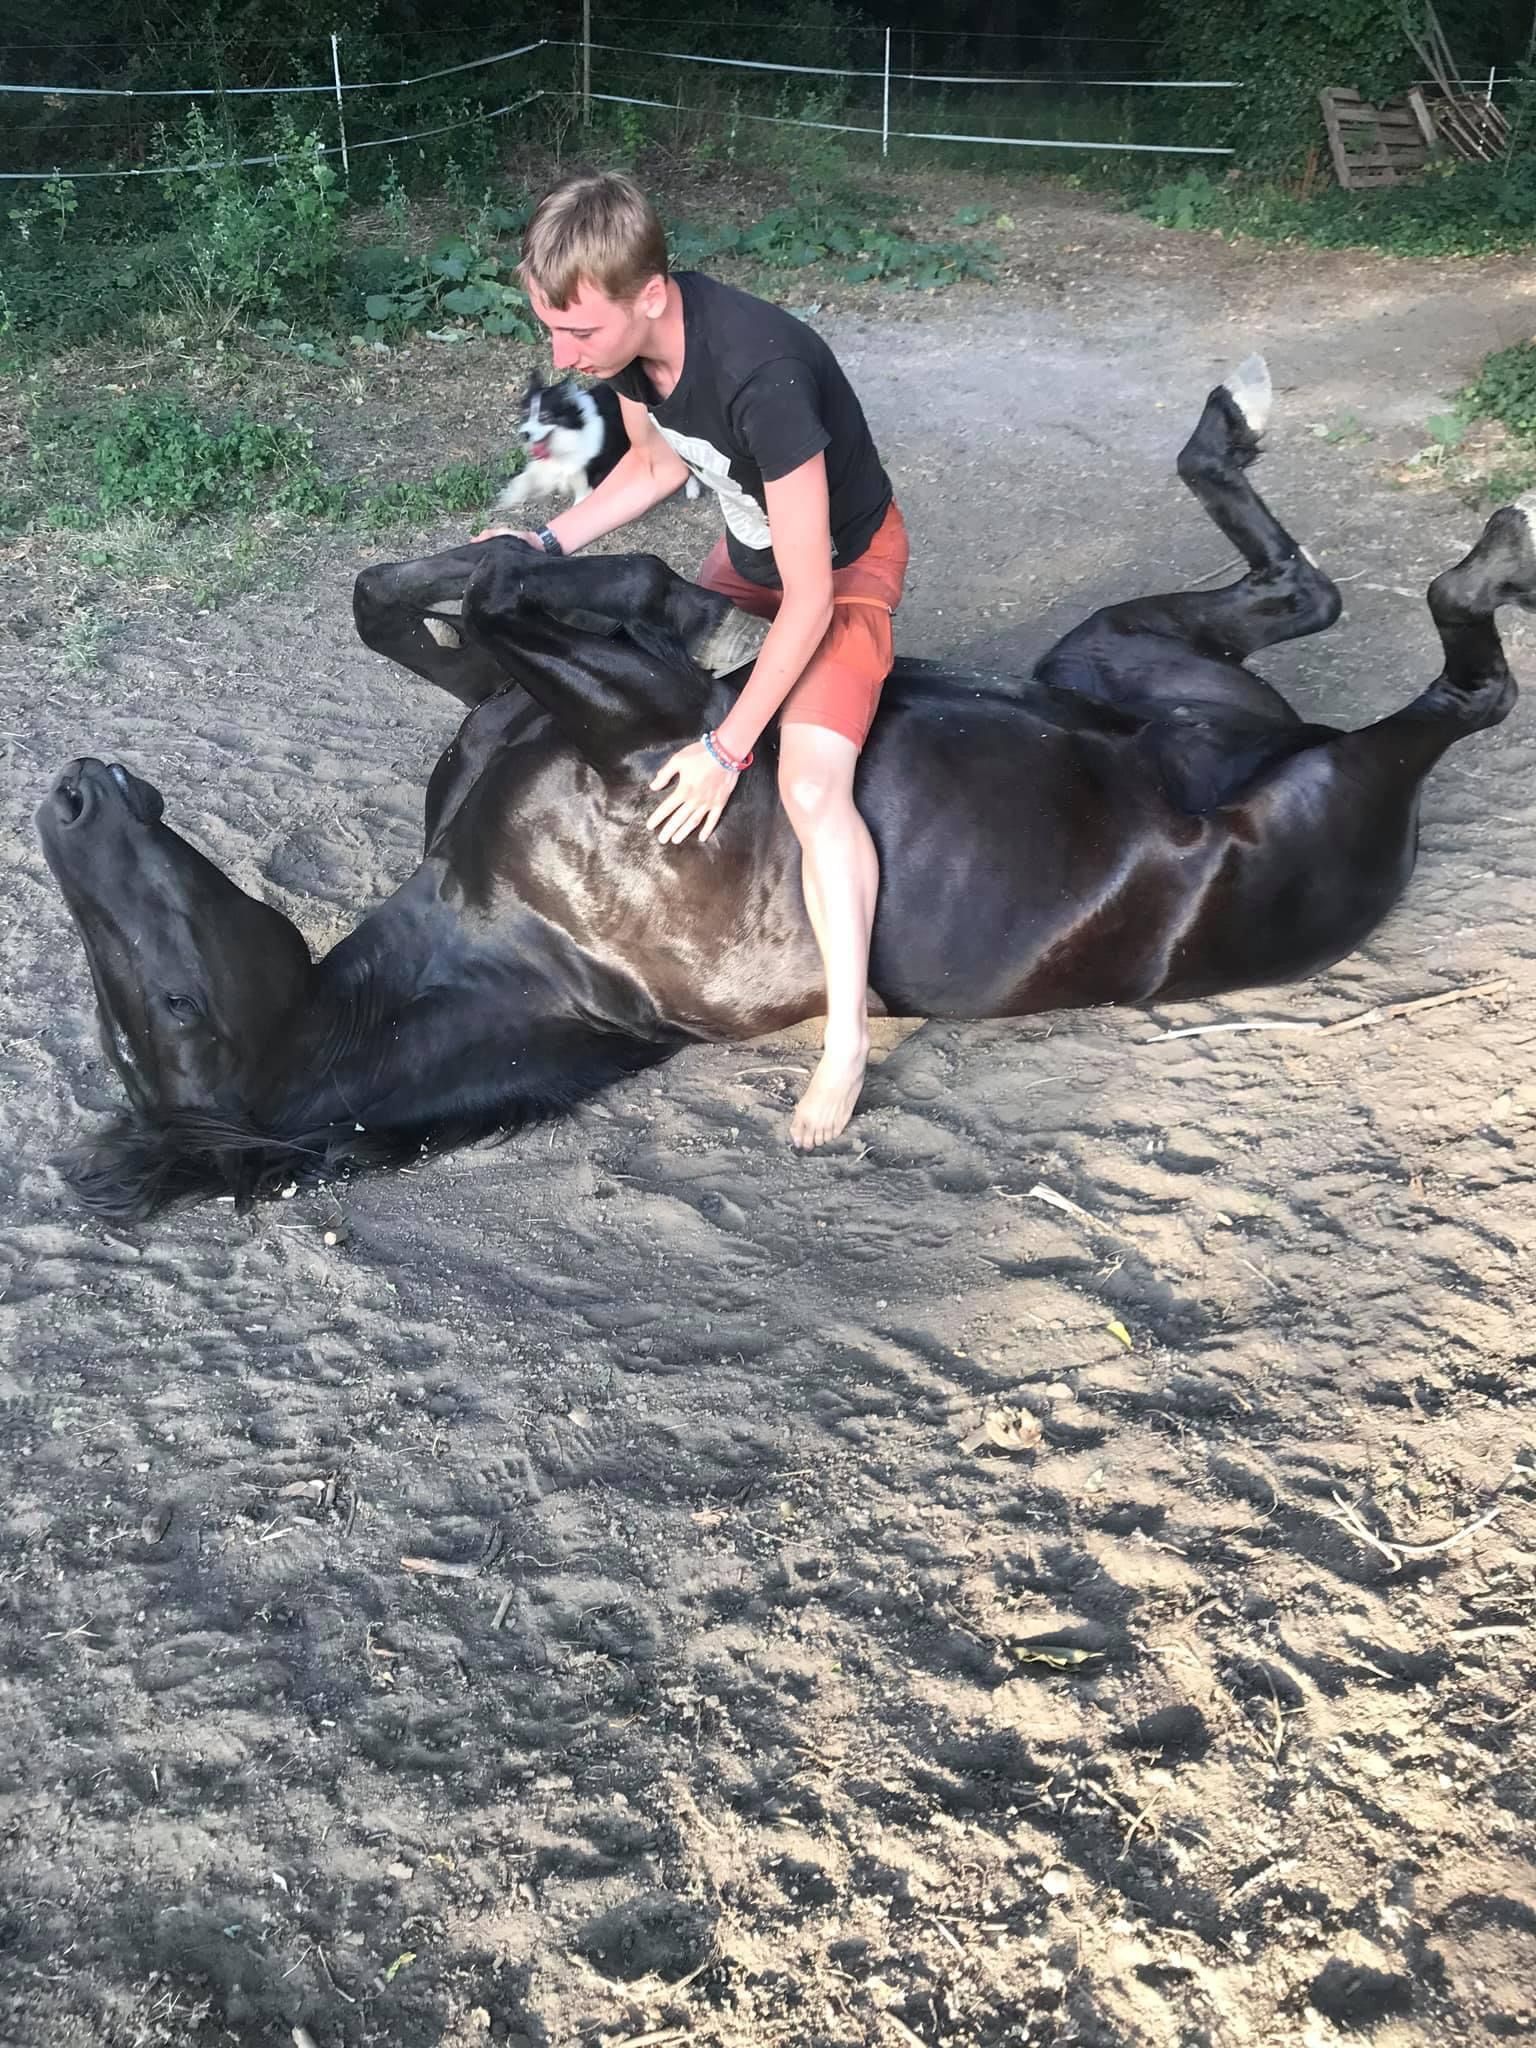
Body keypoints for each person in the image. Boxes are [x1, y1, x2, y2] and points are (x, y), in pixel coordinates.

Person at [476, 171, 909, 1149]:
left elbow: (809, 599)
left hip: (838, 569)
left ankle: (846, 1038)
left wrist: (728, 748)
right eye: (551, 330)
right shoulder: (630, 357)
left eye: (578, 333)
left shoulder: (764, 378)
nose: (562, 357)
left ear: (652, 297)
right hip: (751, 552)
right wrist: (540, 546)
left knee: (809, 784)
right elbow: (658, 466)